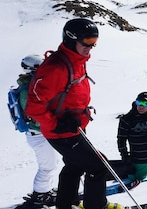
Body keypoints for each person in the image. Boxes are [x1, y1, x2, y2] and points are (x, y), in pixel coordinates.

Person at [26, 18, 120, 209]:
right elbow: (34, 106)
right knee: (98, 167)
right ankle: (97, 206)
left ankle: (66, 205)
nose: (90, 48)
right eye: (86, 42)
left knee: (75, 166)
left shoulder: (76, 60)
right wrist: (56, 124)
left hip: (74, 126)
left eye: (94, 43)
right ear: (71, 39)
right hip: (61, 131)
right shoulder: (55, 68)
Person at [14, 54, 59, 209]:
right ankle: (39, 195)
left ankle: (45, 190)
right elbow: (35, 115)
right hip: (37, 134)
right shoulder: (27, 90)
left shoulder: (32, 86)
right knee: (47, 165)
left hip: (41, 133)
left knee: (51, 162)